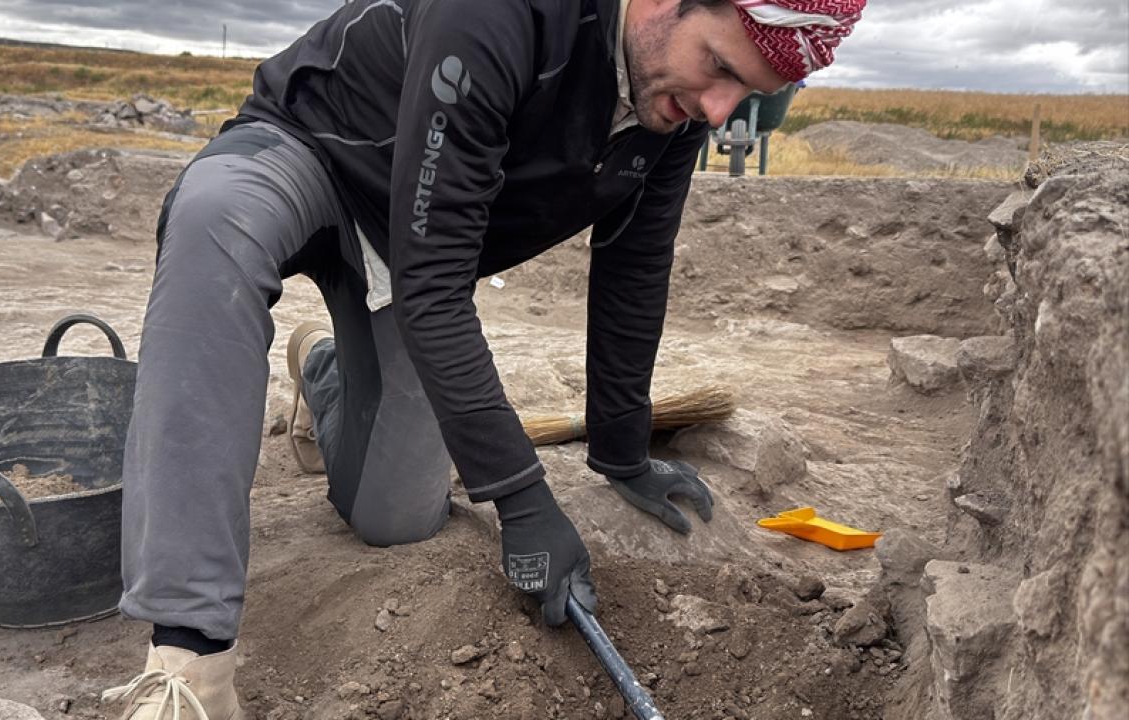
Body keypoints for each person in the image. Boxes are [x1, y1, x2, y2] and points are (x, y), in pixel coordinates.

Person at [102, 0, 865, 718]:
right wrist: (522, 499)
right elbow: (439, 285)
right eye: (721, 67)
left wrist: (623, 452)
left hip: (404, 241)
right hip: (305, 152)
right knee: (215, 222)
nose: (721, 110)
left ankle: (328, 373)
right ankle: (189, 664)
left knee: (396, 518)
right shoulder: (503, 13)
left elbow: (633, 266)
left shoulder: (674, 106)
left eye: (747, 93)